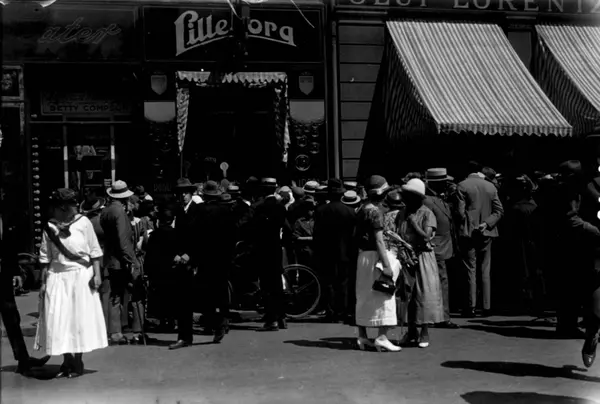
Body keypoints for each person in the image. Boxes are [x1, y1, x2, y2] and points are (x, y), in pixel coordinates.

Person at [34, 188, 107, 378]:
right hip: (57, 276)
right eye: (71, 204)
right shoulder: (50, 227)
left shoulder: (83, 223)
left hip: (80, 275)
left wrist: (97, 275)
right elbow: (45, 256)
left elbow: (94, 250)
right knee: (59, 319)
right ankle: (67, 359)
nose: (75, 207)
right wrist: (43, 283)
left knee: (78, 318)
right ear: (62, 207)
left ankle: (78, 360)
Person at [354, 175, 401, 352]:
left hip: (363, 256)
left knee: (363, 296)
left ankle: (362, 336)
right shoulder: (376, 211)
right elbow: (379, 240)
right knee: (384, 294)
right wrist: (387, 265)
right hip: (376, 256)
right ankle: (382, 337)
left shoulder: (361, 208)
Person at [0, 208, 50, 375]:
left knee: (12, 318)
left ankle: (23, 359)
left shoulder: (5, 217)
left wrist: (15, 272)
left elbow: (9, 247)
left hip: (3, 276)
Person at [398, 179, 444, 348]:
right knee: (407, 294)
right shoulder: (402, 212)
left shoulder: (427, 213)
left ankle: (424, 331)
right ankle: (411, 331)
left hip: (423, 256)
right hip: (406, 256)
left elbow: (426, 236)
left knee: (424, 294)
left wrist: (414, 223)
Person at [192, 181, 237, 343]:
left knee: (206, 291)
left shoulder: (200, 210)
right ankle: (223, 319)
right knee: (222, 288)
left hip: (206, 256)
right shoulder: (226, 211)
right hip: (223, 256)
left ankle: (212, 322)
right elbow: (233, 234)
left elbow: (195, 234)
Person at [458, 161, 504, 317]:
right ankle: (486, 306)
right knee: (485, 269)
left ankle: (470, 306)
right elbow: (499, 211)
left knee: (470, 269)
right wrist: (486, 223)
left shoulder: (462, 185)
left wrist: (470, 225)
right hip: (486, 231)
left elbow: (460, 213)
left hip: (468, 232)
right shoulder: (491, 186)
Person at [100, 180, 140, 346]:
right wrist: (133, 261)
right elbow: (123, 241)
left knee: (114, 296)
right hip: (120, 259)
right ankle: (122, 331)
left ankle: (115, 331)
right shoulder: (119, 212)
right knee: (125, 294)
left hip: (110, 257)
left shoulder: (106, 211)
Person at [249, 178, 290, 331]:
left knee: (266, 285)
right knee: (277, 284)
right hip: (276, 248)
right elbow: (288, 228)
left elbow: (253, 229)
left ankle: (271, 319)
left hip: (263, 249)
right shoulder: (280, 207)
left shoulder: (259, 207)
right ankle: (282, 317)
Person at [313, 178, 357, 323]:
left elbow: (317, 234)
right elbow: (353, 235)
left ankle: (330, 311)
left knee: (328, 282)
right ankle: (342, 311)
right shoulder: (350, 212)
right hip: (345, 252)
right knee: (343, 282)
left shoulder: (321, 211)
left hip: (326, 252)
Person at [423, 168, 459, 329]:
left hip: (444, 246)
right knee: (440, 282)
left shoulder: (438, 198)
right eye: (445, 182)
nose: (447, 185)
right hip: (436, 246)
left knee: (441, 282)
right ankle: (441, 317)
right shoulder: (428, 200)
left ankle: (440, 316)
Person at [169, 178, 201, 350]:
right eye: (180, 193)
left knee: (187, 300)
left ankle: (186, 336)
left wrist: (191, 255)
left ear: (191, 193)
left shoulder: (197, 210)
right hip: (180, 260)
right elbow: (176, 236)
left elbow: (200, 237)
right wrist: (176, 253)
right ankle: (184, 336)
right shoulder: (178, 211)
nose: (183, 196)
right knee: (181, 300)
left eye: (186, 193)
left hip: (191, 261)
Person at [145, 209, 178, 331]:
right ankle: (172, 320)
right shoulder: (176, 234)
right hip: (173, 269)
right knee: (172, 296)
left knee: (160, 296)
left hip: (158, 270)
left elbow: (149, 254)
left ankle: (163, 321)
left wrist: (147, 270)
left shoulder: (155, 235)